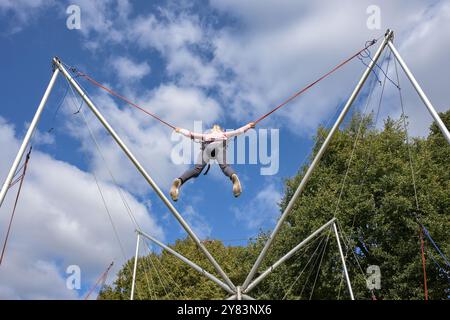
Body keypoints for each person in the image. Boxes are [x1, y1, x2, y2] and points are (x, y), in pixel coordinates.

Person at [170, 122, 256, 201]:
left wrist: (179, 130)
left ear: (211, 131)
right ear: (221, 130)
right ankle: (233, 177)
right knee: (225, 167)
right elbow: (238, 131)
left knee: (196, 170)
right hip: (219, 147)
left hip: (207, 148)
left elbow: (189, 134)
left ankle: (179, 180)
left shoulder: (205, 136)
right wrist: (249, 126)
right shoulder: (224, 134)